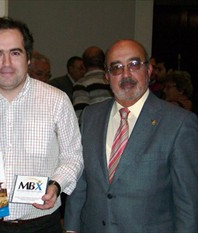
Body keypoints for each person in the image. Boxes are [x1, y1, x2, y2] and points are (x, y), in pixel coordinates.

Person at [0, 17, 83, 233]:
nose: (6, 63)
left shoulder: (57, 101)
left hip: (43, 225)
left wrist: (56, 185)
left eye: (15, 52)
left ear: (28, 58)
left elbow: (73, 157)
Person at [64, 39, 198, 233]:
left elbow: (188, 202)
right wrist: (71, 228)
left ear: (149, 70)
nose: (126, 74)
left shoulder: (179, 123)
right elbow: (81, 180)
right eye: (116, 68)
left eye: (134, 65)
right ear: (107, 76)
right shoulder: (91, 116)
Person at [73, 46, 113, 119]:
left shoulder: (81, 85)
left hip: (93, 127)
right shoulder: (113, 81)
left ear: (83, 65)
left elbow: (80, 116)